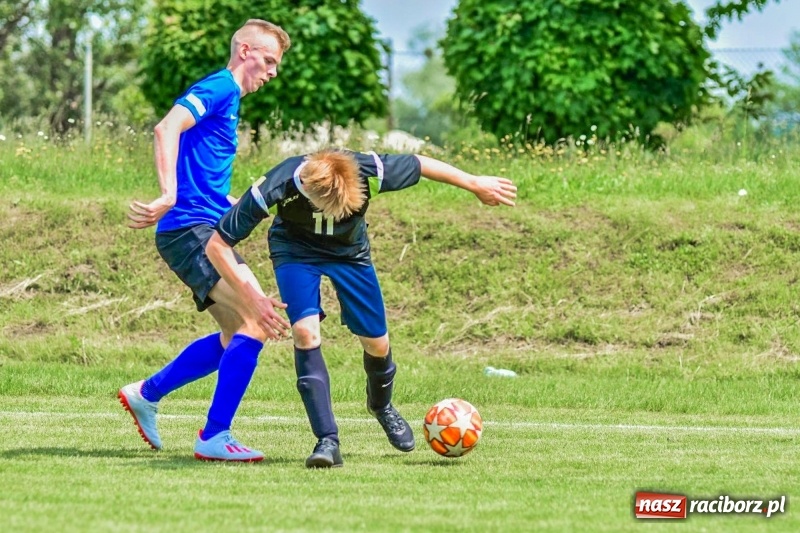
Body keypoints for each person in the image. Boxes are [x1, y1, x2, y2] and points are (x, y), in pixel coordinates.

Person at [204, 148, 517, 467]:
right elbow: (217, 244)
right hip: (295, 252)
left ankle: (381, 406)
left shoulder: (369, 170)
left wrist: (474, 182)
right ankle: (327, 441)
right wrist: (252, 297)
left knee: (377, 344)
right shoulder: (278, 183)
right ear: (309, 194)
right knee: (305, 332)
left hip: (351, 255)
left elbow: (420, 164)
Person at [118, 19, 292, 462]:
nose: (272, 72)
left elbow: (207, 179)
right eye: (268, 61)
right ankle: (214, 436)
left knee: (238, 331)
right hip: (189, 228)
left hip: (202, 224)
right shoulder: (220, 87)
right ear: (245, 51)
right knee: (256, 321)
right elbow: (166, 127)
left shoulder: (228, 99)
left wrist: (240, 206)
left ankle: (147, 393)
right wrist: (168, 193)